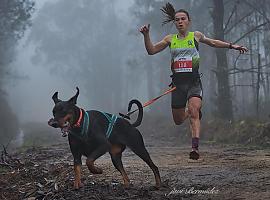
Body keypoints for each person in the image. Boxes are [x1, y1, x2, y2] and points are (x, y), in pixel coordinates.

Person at [139, 3, 248, 160]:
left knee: (194, 111)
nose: (180, 22)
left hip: (194, 83)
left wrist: (232, 46)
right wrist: (146, 35)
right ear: (174, 23)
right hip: (177, 85)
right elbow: (151, 51)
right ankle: (191, 112)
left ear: (188, 21)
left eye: (183, 19)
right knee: (178, 120)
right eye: (177, 20)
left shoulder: (195, 36)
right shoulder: (170, 39)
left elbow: (213, 42)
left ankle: (195, 148)